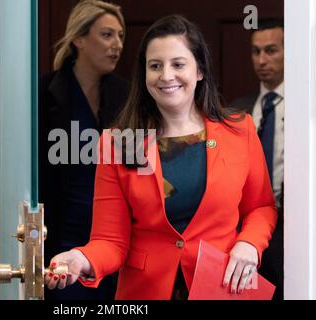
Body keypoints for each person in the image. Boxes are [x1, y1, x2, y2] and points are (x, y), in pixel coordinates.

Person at [44, 14, 277, 300]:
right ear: (144, 74)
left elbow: (261, 207)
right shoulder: (117, 143)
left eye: (178, 64)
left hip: (222, 288)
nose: (166, 75)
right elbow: (110, 241)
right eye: (155, 66)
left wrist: (249, 244)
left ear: (199, 70)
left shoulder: (239, 131)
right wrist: (81, 258)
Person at [39, 0, 129, 300]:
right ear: (78, 38)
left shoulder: (125, 96)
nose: (116, 44)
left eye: (120, 36)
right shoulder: (43, 93)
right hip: (63, 236)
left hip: (114, 240)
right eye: (106, 35)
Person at [230, 19, 284, 300]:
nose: (262, 60)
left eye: (271, 50)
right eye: (255, 51)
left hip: (293, 230)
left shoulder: (307, 109)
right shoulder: (237, 111)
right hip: (244, 234)